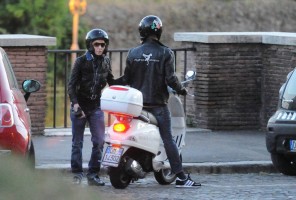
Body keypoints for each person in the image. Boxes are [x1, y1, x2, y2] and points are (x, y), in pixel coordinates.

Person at [119, 15, 201, 188]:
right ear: (159, 31)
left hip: (137, 107)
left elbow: (126, 78)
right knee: (168, 139)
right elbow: (171, 79)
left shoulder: (133, 53)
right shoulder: (165, 52)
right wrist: (181, 89)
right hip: (157, 106)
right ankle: (181, 177)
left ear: (142, 31)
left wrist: (111, 82)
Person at [68, 28, 119, 186]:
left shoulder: (106, 61)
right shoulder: (81, 61)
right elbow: (71, 85)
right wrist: (76, 105)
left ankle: (93, 174)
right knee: (77, 142)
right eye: (96, 44)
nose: (100, 48)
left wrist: (129, 77)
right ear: (90, 45)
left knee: (99, 141)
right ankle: (77, 174)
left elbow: (112, 81)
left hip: (96, 106)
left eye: (103, 45)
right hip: (80, 105)